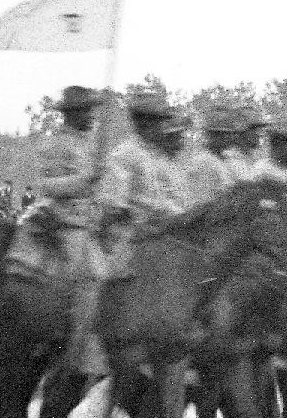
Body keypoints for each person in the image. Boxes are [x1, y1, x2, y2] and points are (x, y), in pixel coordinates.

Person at [29, 84, 107, 374]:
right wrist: (85, 181)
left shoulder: (90, 145)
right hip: (64, 221)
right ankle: (75, 354)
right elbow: (46, 185)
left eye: (93, 111)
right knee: (93, 275)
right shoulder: (55, 145)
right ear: (72, 114)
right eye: (87, 111)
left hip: (91, 222)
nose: (92, 116)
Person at [97, 91, 189, 254]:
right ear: (144, 122)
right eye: (159, 121)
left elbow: (167, 199)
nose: (162, 127)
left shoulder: (156, 156)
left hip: (163, 231)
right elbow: (114, 206)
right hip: (133, 240)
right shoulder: (124, 154)